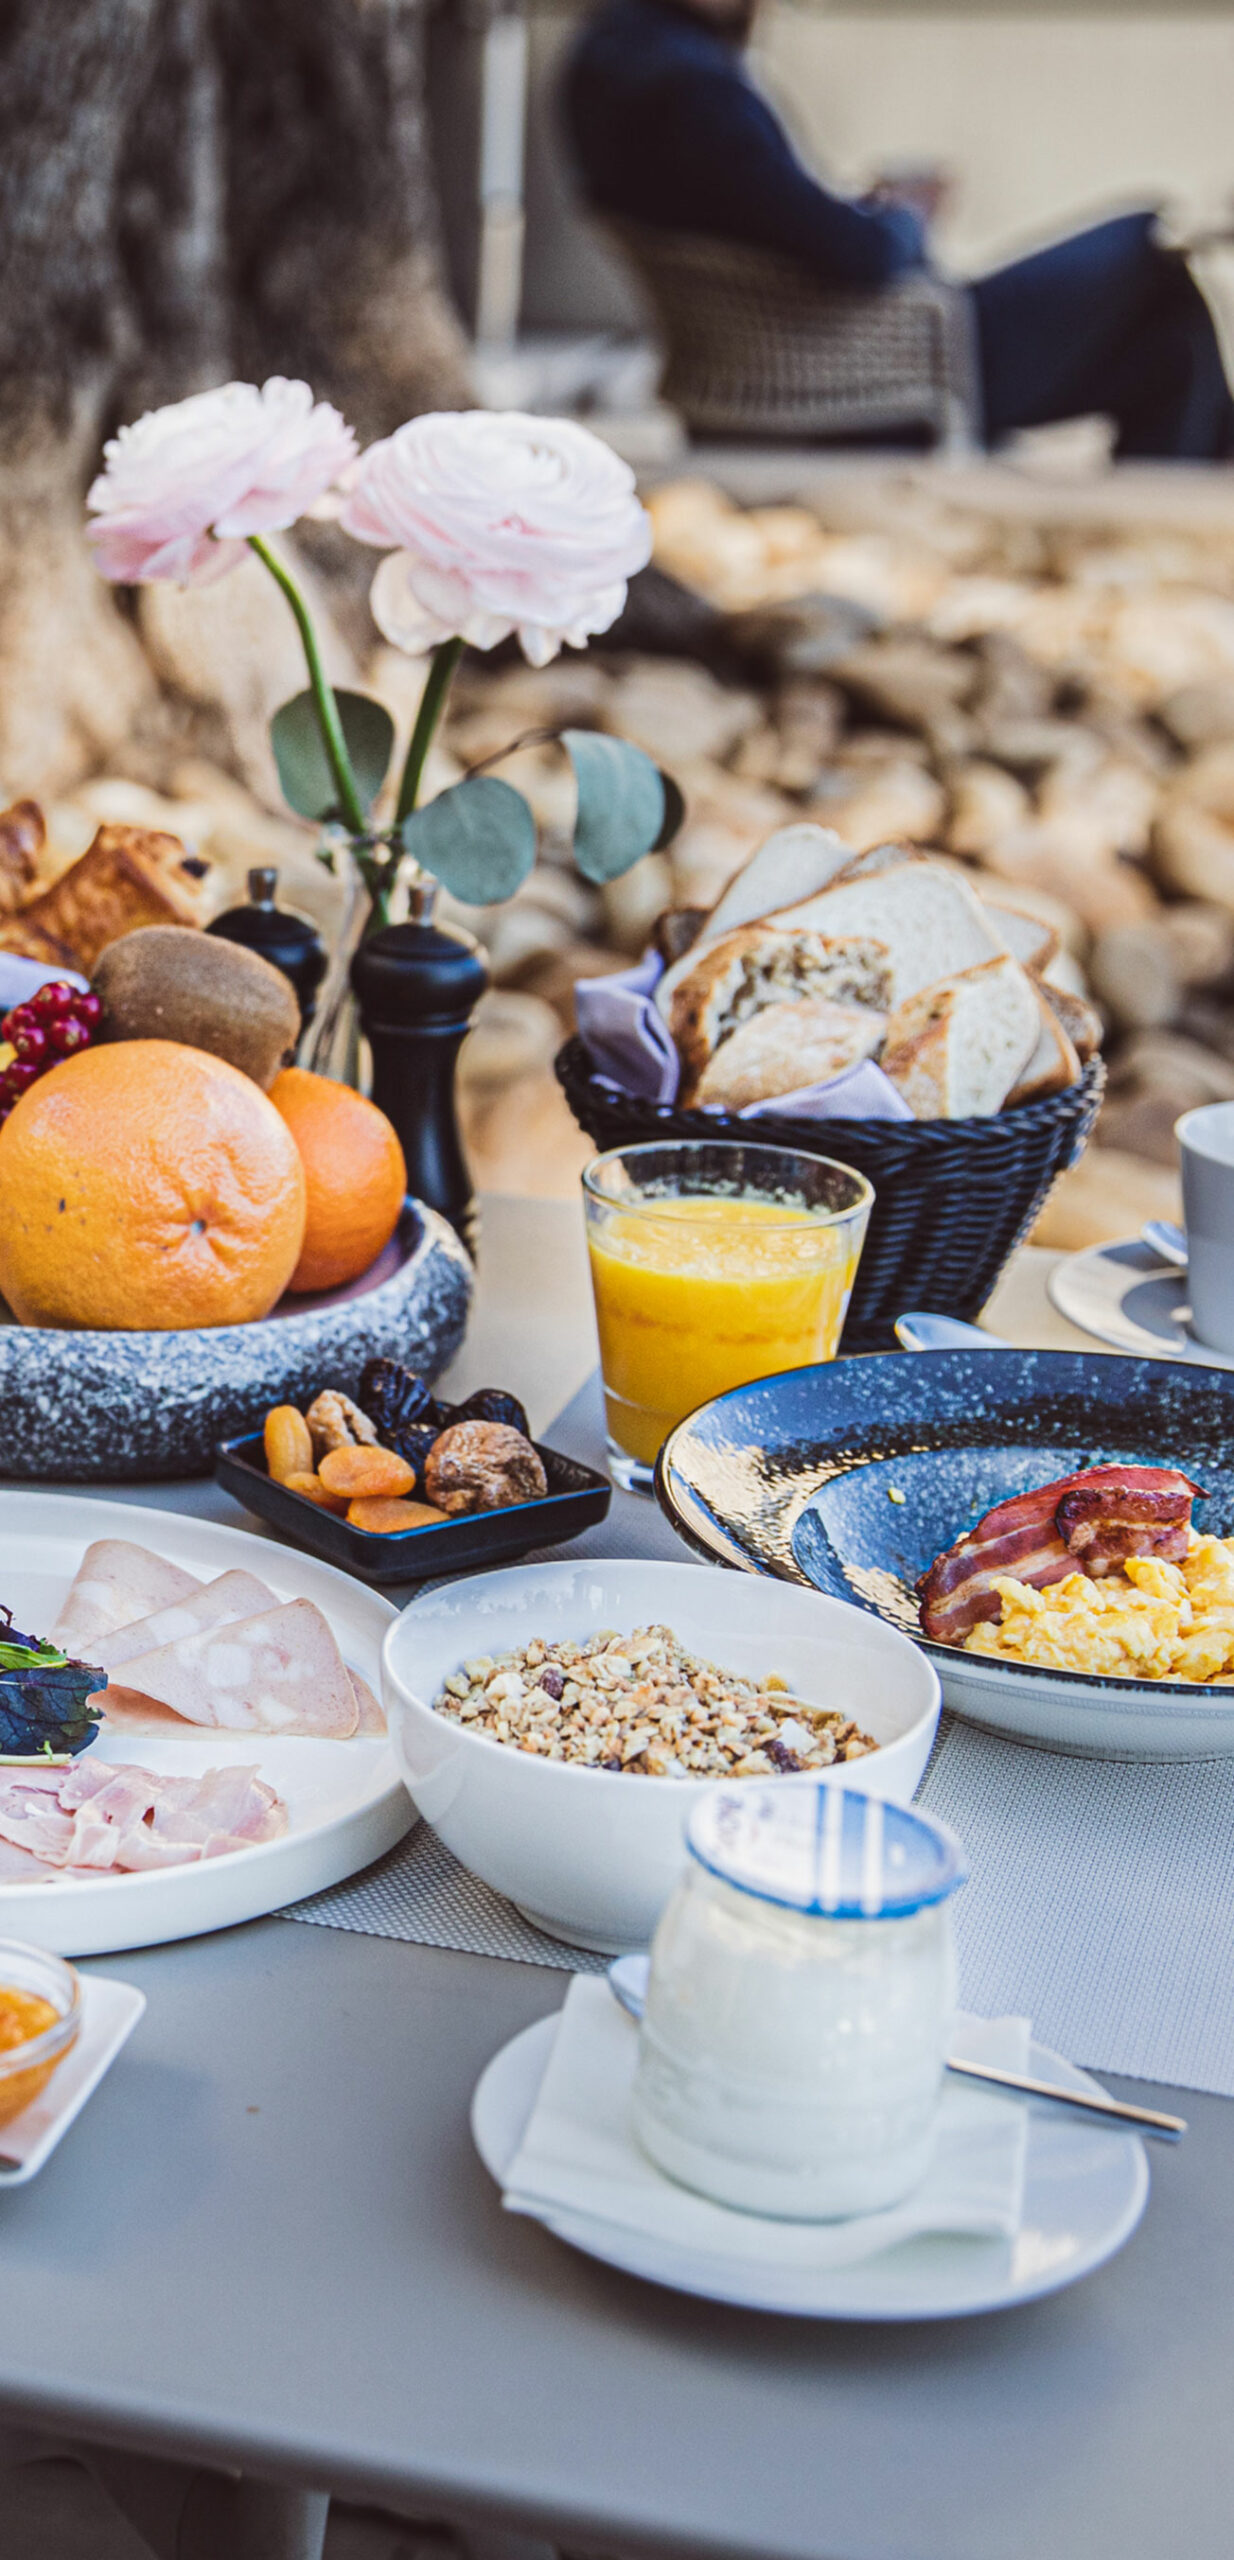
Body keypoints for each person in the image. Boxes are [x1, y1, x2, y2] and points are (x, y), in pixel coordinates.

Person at [562, 0, 1234, 460]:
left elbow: (772, 217)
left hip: (820, 347)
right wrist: (901, 216)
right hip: (869, 368)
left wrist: (860, 209)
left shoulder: (610, 61)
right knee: (1148, 244)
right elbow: (864, 255)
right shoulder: (688, 88)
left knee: (1170, 347)